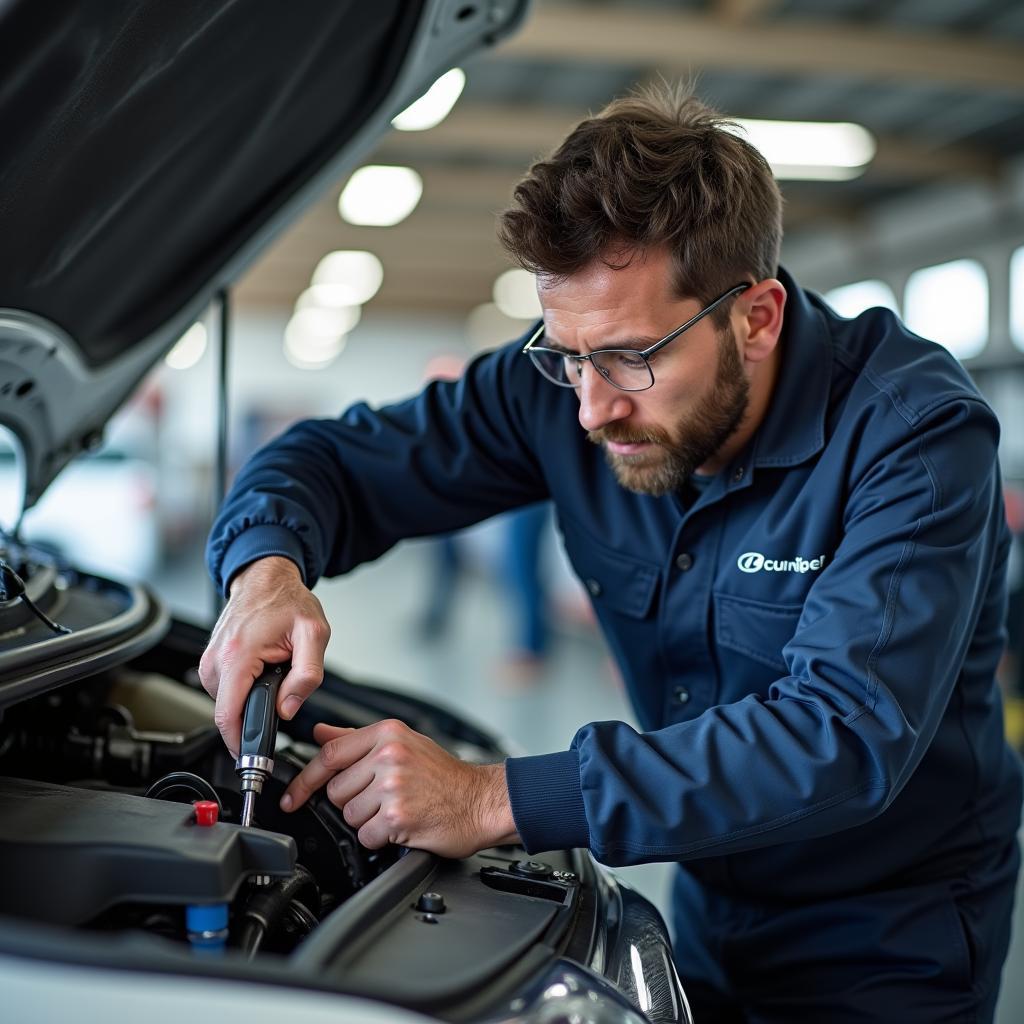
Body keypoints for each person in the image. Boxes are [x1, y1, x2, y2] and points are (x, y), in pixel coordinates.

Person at [200, 85, 1023, 1022]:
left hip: (889, 936)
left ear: (754, 317)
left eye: (634, 359)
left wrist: (493, 799)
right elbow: (328, 463)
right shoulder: (558, 384)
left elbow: (842, 735)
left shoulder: (912, 438)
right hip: (710, 898)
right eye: (568, 356)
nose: (591, 408)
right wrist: (267, 569)